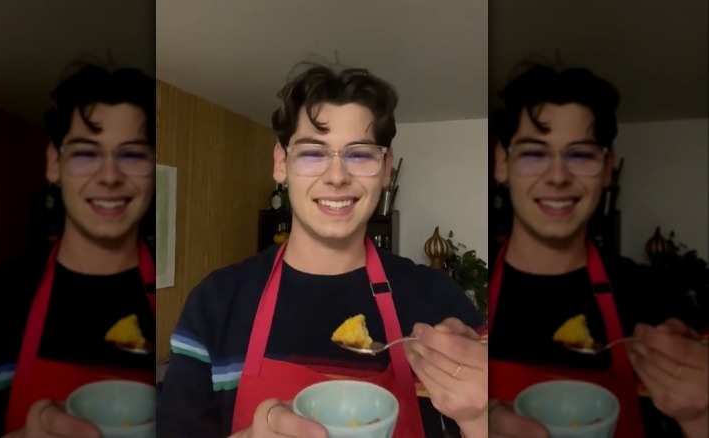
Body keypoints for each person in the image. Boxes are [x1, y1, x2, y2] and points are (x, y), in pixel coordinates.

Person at [157, 62, 489, 438]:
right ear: (281, 163)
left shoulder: (438, 302)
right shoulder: (216, 304)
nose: (336, 176)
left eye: (360, 154)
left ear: (385, 169)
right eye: (314, 152)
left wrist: (482, 419)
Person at [0, 63, 157, 437]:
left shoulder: (181, 306)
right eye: (87, 153)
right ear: (55, 163)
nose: (110, 176)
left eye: (132, 155)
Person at [487, 63, 708, 438]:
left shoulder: (657, 301)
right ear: (502, 163)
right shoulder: (464, 302)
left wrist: (701, 417)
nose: (558, 176)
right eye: (534, 153)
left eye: (581, 155)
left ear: (607, 168)